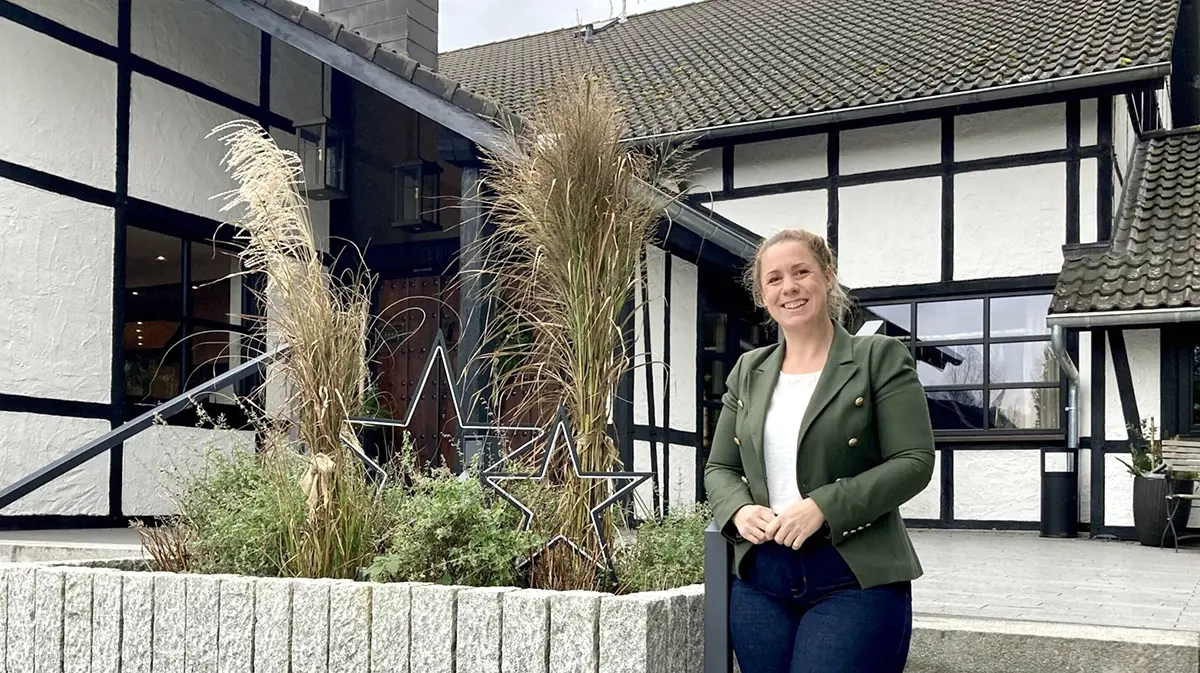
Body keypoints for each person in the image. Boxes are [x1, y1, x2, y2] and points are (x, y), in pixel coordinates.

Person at [703, 228, 935, 673]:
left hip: (853, 576)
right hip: (761, 581)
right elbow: (719, 467)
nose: (788, 287)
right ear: (762, 295)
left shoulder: (878, 357)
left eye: (801, 272)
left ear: (827, 277)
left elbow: (914, 462)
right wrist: (738, 510)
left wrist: (824, 507)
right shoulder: (747, 370)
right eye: (774, 279)